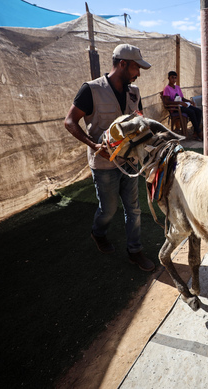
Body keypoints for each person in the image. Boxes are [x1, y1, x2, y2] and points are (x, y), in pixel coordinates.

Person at [64, 43, 155, 272]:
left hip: (130, 162)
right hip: (104, 163)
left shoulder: (134, 92)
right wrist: (94, 145)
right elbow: (70, 121)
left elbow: (140, 121)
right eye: (136, 68)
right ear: (122, 64)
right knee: (108, 209)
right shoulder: (91, 89)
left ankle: (135, 251)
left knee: (133, 208)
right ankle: (98, 232)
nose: (139, 74)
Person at [162, 70, 203, 141]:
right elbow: (166, 102)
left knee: (198, 111)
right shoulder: (167, 89)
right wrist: (179, 103)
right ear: (168, 78)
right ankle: (198, 132)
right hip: (175, 108)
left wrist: (189, 101)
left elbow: (182, 98)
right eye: (172, 78)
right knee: (192, 112)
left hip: (182, 105)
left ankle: (195, 132)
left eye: (175, 78)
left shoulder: (177, 87)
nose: (174, 80)